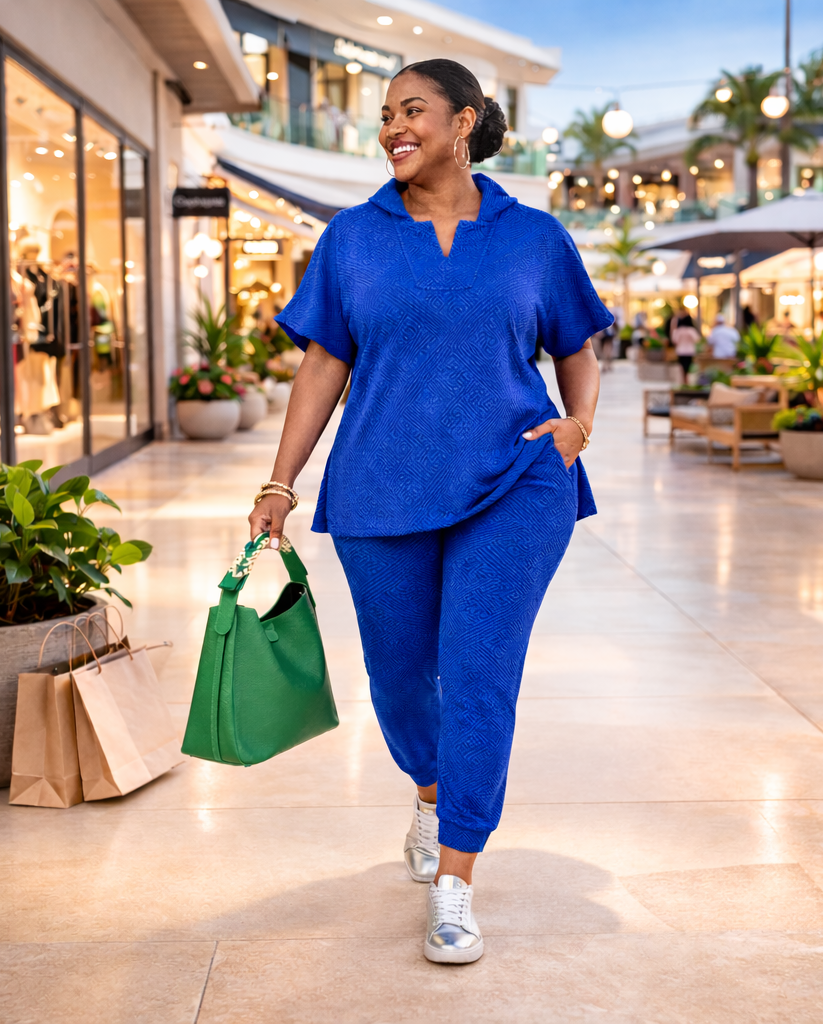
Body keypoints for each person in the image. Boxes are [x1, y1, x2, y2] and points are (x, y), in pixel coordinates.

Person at [247, 58, 611, 966]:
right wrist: (281, 482)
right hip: (380, 483)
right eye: (385, 116)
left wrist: (577, 427)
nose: (391, 129)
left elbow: (578, 344)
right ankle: (430, 789)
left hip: (516, 481)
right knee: (401, 677)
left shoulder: (532, 237)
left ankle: (457, 878)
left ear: (466, 121)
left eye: (412, 111)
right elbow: (323, 364)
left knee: (479, 670)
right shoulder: (353, 236)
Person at [671, 312, 701, 381]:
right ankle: (686, 379)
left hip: (680, 350)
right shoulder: (691, 330)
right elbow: (697, 339)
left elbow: (674, 340)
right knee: (688, 366)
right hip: (690, 351)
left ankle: (683, 379)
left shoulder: (679, 330)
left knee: (682, 366)